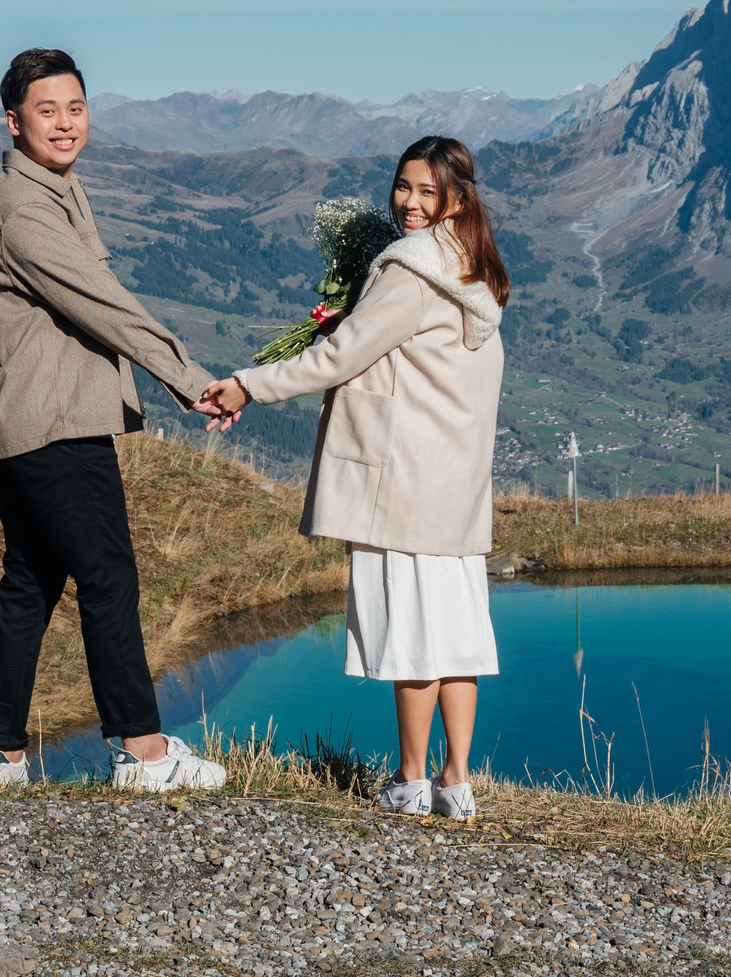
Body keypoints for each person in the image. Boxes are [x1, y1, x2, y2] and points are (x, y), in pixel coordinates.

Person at [198, 135, 508, 819]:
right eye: (404, 185)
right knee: (455, 634)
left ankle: (410, 777)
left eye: (428, 191)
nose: (409, 202)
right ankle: (457, 782)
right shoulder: (472, 266)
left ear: (457, 197)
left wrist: (249, 384)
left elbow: (338, 356)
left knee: (413, 638)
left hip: (407, 482)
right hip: (455, 487)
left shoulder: (412, 269)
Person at [0, 46, 234, 792]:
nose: (65, 122)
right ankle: (142, 751)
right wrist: (186, 377)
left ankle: (0, 753)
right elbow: (102, 303)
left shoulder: (53, 189)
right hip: (53, 423)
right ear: (13, 121)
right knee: (109, 574)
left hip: (30, 422)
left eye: (75, 107)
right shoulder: (23, 207)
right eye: (46, 110)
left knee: (31, 578)